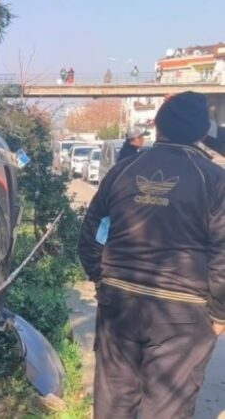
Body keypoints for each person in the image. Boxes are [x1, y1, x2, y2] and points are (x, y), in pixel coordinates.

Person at [78, 91, 225, 419]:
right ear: (203, 133)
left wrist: (102, 280)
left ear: (157, 127)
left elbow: (91, 236)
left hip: (120, 302)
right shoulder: (215, 180)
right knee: (167, 409)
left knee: (114, 403)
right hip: (184, 314)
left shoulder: (122, 171)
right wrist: (218, 314)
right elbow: (222, 254)